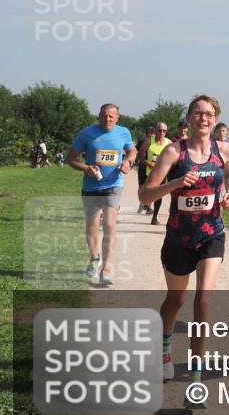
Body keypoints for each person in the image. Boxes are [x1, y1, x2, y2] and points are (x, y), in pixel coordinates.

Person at [138, 94, 229, 408]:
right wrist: (176, 182)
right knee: (176, 299)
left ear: (216, 117)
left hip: (212, 234)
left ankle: (195, 381)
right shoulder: (173, 152)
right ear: (189, 118)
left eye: (209, 114)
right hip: (180, 238)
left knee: (204, 300)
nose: (203, 119)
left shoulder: (224, 150)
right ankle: (164, 350)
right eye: (197, 113)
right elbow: (144, 194)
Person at [66, 103, 137, 287]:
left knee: (110, 223)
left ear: (117, 118)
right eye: (104, 116)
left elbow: (132, 150)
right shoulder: (86, 133)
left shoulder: (124, 132)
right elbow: (70, 159)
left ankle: (106, 268)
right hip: (91, 186)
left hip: (113, 185)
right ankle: (94, 258)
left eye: (111, 116)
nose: (107, 119)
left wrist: (128, 161)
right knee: (91, 225)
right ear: (99, 116)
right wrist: (85, 168)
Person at [143, 123, 172, 224]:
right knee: (149, 194)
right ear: (155, 131)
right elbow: (140, 156)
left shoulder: (169, 143)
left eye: (164, 131)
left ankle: (154, 217)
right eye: (159, 130)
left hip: (162, 173)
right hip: (150, 173)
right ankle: (146, 203)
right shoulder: (148, 141)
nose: (162, 133)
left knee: (158, 195)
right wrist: (149, 163)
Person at [135, 126, 155, 214]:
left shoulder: (156, 144)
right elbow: (135, 152)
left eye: (152, 136)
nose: (150, 138)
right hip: (143, 167)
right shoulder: (141, 143)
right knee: (141, 186)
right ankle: (141, 203)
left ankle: (149, 207)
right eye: (149, 135)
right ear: (146, 135)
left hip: (152, 168)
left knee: (151, 187)